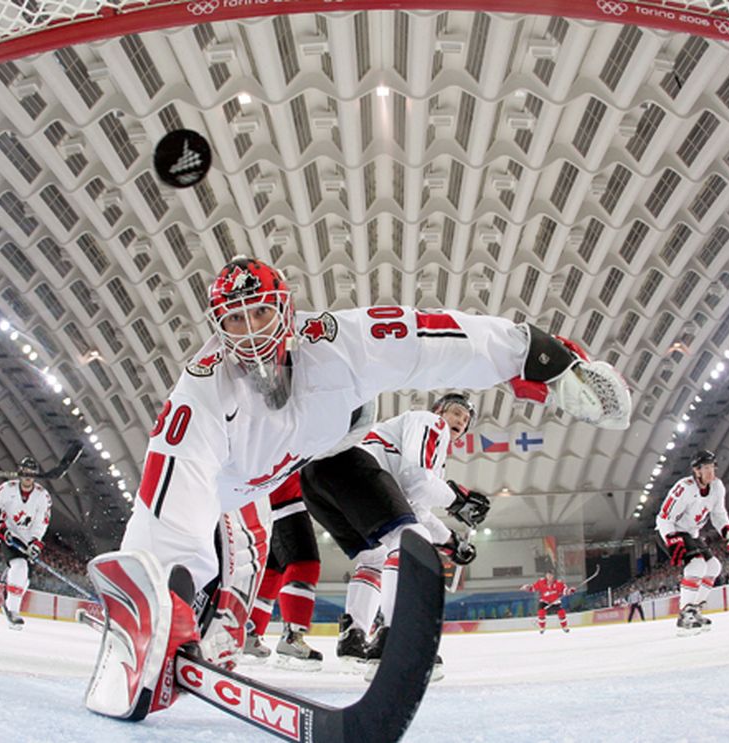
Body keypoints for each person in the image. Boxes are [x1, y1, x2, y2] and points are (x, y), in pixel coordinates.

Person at [83, 255, 631, 722]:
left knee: (246, 588)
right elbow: (170, 490)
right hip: (223, 488)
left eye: (261, 312)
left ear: (286, 309)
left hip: (283, 477)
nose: (250, 332)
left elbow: (427, 337)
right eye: (235, 320)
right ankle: (163, 629)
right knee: (201, 587)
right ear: (217, 327)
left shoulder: (338, 342)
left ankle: (236, 639)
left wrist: (533, 356)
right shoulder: (201, 390)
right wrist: (158, 596)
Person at [304, 392, 490, 677]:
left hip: (316, 479)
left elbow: (415, 509)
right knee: (410, 539)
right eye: (456, 413)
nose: (460, 421)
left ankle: (354, 638)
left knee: (375, 557)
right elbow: (416, 481)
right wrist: (458, 500)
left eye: (466, 420)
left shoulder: (418, 445)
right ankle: (396, 638)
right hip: (352, 465)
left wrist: (451, 542)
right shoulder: (430, 423)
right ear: (439, 411)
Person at [242, 472, 324, 670]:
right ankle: (292, 637)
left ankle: (250, 634)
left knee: (272, 573)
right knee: (304, 565)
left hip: (264, 503)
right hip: (285, 500)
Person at [655, 449, 729, 636]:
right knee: (697, 565)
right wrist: (671, 537)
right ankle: (685, 615)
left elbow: (718, 514)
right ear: (696, 470)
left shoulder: (717, 487)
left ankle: (694, 609)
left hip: (691, 534)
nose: (711, 472)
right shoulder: (684, 488)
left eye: (712, 467)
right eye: (706, 468)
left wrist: (727, 530)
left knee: (714, 567)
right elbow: (663, 518)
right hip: (671, 530)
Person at [0, 456, 52, 630]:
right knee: (20, 566)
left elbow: (41, 522)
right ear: (20, 472)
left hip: (28, 540)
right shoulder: (7, 489)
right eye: (25, 472)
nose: (28, 476)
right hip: (9, 535)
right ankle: (13, 611)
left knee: (25, 579)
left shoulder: (42, 496)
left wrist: (35, 542)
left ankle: (10, 600)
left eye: (31, 473)